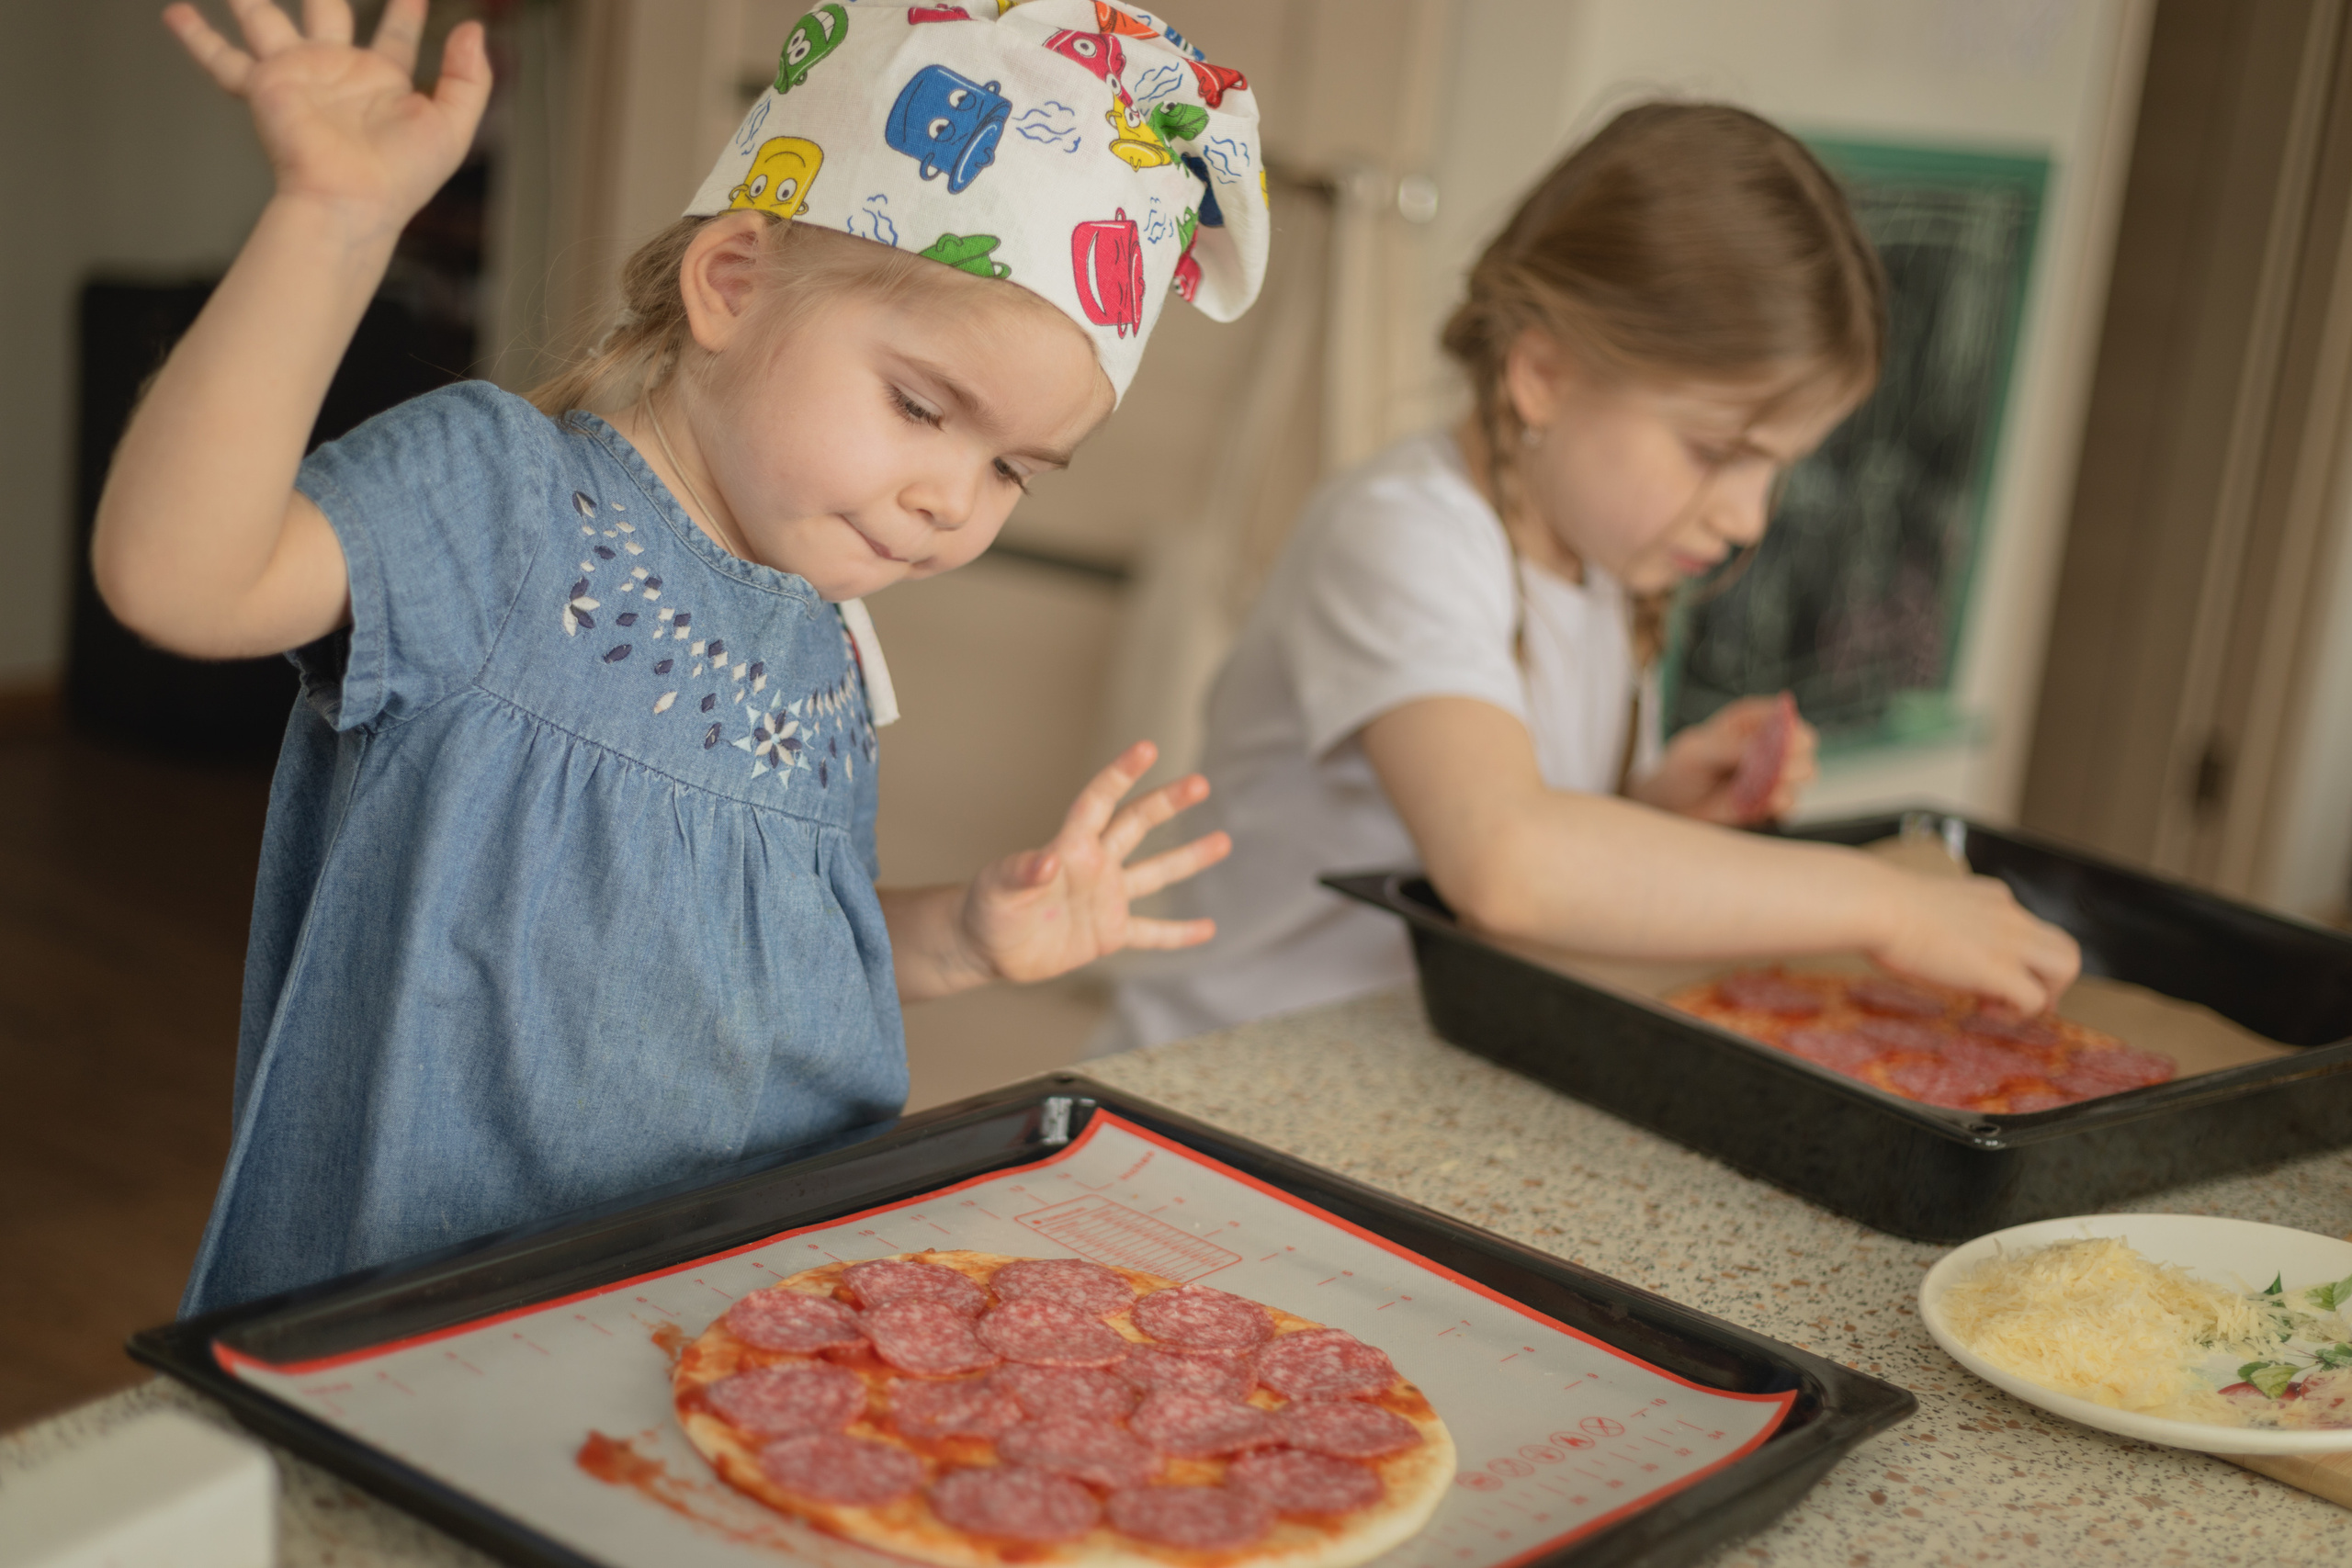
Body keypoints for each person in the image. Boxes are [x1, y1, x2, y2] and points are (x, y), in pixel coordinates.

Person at [99, 0, 1270, 1314]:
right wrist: (330, 222)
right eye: (921, 406)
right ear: (733, 283)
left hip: (720, 1321)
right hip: (419, 1331)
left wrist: (966, 936)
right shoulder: (505, 509)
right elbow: (176, 576)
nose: (955, 498)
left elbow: (761, 963)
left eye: (1012, 469)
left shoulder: (825, 648)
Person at [1102, 103, 2080, 1055]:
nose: (1748, 516)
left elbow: (1513, 860)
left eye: (1774, 467)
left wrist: (1653, 812)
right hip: (1227, 1083)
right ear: (1543, 374)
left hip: (1404, 1085)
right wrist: (1883, 903)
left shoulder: (1602, 560)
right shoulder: (1400, 535)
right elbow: (1506, 864)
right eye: (1715, 451)